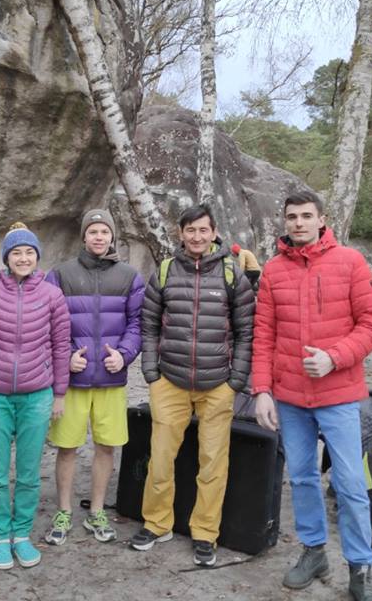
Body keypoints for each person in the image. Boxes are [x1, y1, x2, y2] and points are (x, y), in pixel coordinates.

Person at [252, 189, 372, 601]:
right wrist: (261, 391)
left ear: (321, 219)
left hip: (339, 395)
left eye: (306, 216)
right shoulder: (273, 270)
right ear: (285, 222)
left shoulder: (349, 262)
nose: (298, 223)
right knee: (304, 479)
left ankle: (360, 567)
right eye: (292, 216)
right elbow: (264, 335)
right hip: (290, 399)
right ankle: (313, 552)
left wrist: (334, 357)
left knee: (348, 483)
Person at [130, 204, 255, 567]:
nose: (197, 237)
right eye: (190, 231)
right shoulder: (166, 271)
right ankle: (157, 523)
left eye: (203, 230)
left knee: (213, 462)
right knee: (160, 460)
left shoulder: (233, 274)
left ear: (214, 232)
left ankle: (205, 533)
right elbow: (149, 323)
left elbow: (247, 331)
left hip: (218, 384)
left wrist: (236, 380)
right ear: (180, 234)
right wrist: (151, 372)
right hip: (170, 380)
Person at [0, 222, 71, 570]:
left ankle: (21, 534)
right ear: (6, 258)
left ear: (37, 256)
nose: (23, 258)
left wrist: (58, 393)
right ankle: (0, 537)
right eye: (16, 252)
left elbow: (60, 346)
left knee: (27, 471)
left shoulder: (52, 296)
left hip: (37, 396)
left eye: (29, 252)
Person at [43, 209, 144, 545]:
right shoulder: (61, 275)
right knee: (67, 447)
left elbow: (137, 323)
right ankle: (64, 510)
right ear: (84, 237)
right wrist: (65, 358)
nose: (99, 237)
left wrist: (125, 354)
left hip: (112, 381)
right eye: (93, 232)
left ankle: (97, 510)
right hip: (73, 380)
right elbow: (50, 323)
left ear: (112, 236)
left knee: (105, 446)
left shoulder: (129, 276)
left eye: (104, 232)